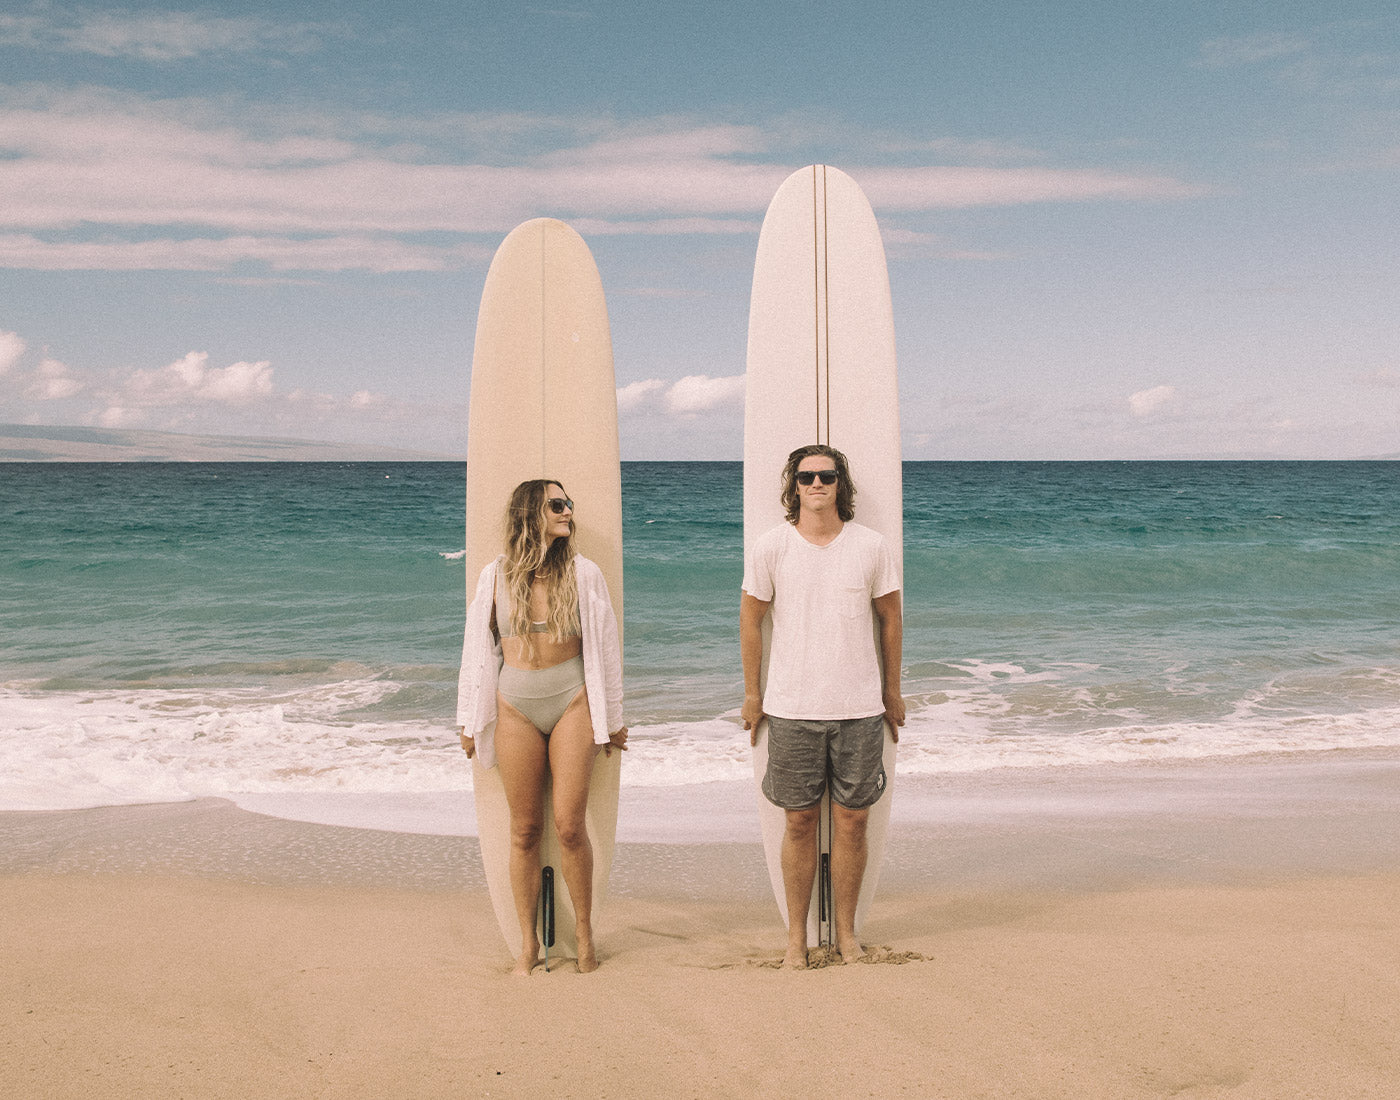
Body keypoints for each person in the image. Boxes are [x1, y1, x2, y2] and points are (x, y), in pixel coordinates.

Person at [740, 444, 905, 968]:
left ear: (840, 485)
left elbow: (891, 621)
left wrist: (892, 690)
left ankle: (849, 934)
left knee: (853, 822)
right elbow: (749, 621)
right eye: (807, 477)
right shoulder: (772, 547)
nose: (816, 484)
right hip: (790, 708)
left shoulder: (871, 546)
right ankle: (796, 938)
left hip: (859, 707)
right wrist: (752, 694)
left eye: (826, 477)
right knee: (799, 823)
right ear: (793, 486)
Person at [457, 479, 627, 975]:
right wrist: (470, 720)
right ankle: (528, 943)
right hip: (514, 705)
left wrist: (612, 719)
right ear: (531, 513)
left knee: (570, 827)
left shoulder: (583, 572)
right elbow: (475, 650)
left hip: (573, 699)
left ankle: (585, 932)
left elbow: (607, 647)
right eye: (557, 505)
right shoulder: (494, 576)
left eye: (569, 503)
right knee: (525, 830)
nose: (568, 511)